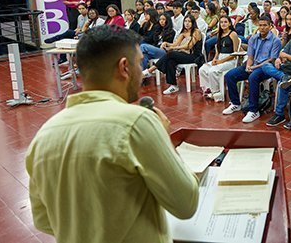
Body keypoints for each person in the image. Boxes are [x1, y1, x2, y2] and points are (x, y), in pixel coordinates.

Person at [25, 26, 199, 243]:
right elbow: (186, 203)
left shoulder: (43, 136)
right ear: (124, 67)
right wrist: (165, 139)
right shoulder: (136, 123)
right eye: (140, 62)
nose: (141, 69)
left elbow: (43, 220)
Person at [223, 15, 282, 123]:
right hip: (253, 64)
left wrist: (254, 68)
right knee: (230, 75)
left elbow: (271, 60)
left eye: (265, 25)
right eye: (260, 25)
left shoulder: (276, 41)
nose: (262, 27)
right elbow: (250, 57)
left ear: (270, 26)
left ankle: (254, 110)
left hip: (266, 68)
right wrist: (248, 66)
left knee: (253, 77)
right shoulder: (254, 38)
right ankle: (235, 103)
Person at [143, 15, 203, 95]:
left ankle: (151, 70)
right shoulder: (184, 33)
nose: (187, 23)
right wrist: (166, 43)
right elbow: (175, 44)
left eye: (189, 21)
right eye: (185, 21)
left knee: (171, 54)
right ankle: (173, 85)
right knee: (170, 61)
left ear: (193, 23)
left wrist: (174, 48)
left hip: (194, 56)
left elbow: (188, 46)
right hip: (184, 54)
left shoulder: (196, 31)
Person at [199, 16, 241, 102]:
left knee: (212, 71)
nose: (223, 24)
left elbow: (235, 53)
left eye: (225, 22)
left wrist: (220, 61)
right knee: (202, 69)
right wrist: (215, 59)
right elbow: (218, 49)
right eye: (221, 22)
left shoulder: (233, 34)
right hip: (220, 57)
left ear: (229, 23)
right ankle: (208, 89)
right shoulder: (219, 35)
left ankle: (217, 93)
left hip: (230, 60)